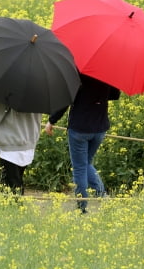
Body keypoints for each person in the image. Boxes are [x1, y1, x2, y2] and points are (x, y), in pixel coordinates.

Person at [44, 74, 120, 213]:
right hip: (99, 128)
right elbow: (115, 94)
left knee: (80, 167)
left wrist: (52, 121)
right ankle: (102, 197)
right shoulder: (107, 72)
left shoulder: (78, 75)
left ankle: (82, 208)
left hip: (79, 129)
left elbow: (65, 101)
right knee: (86, 164)